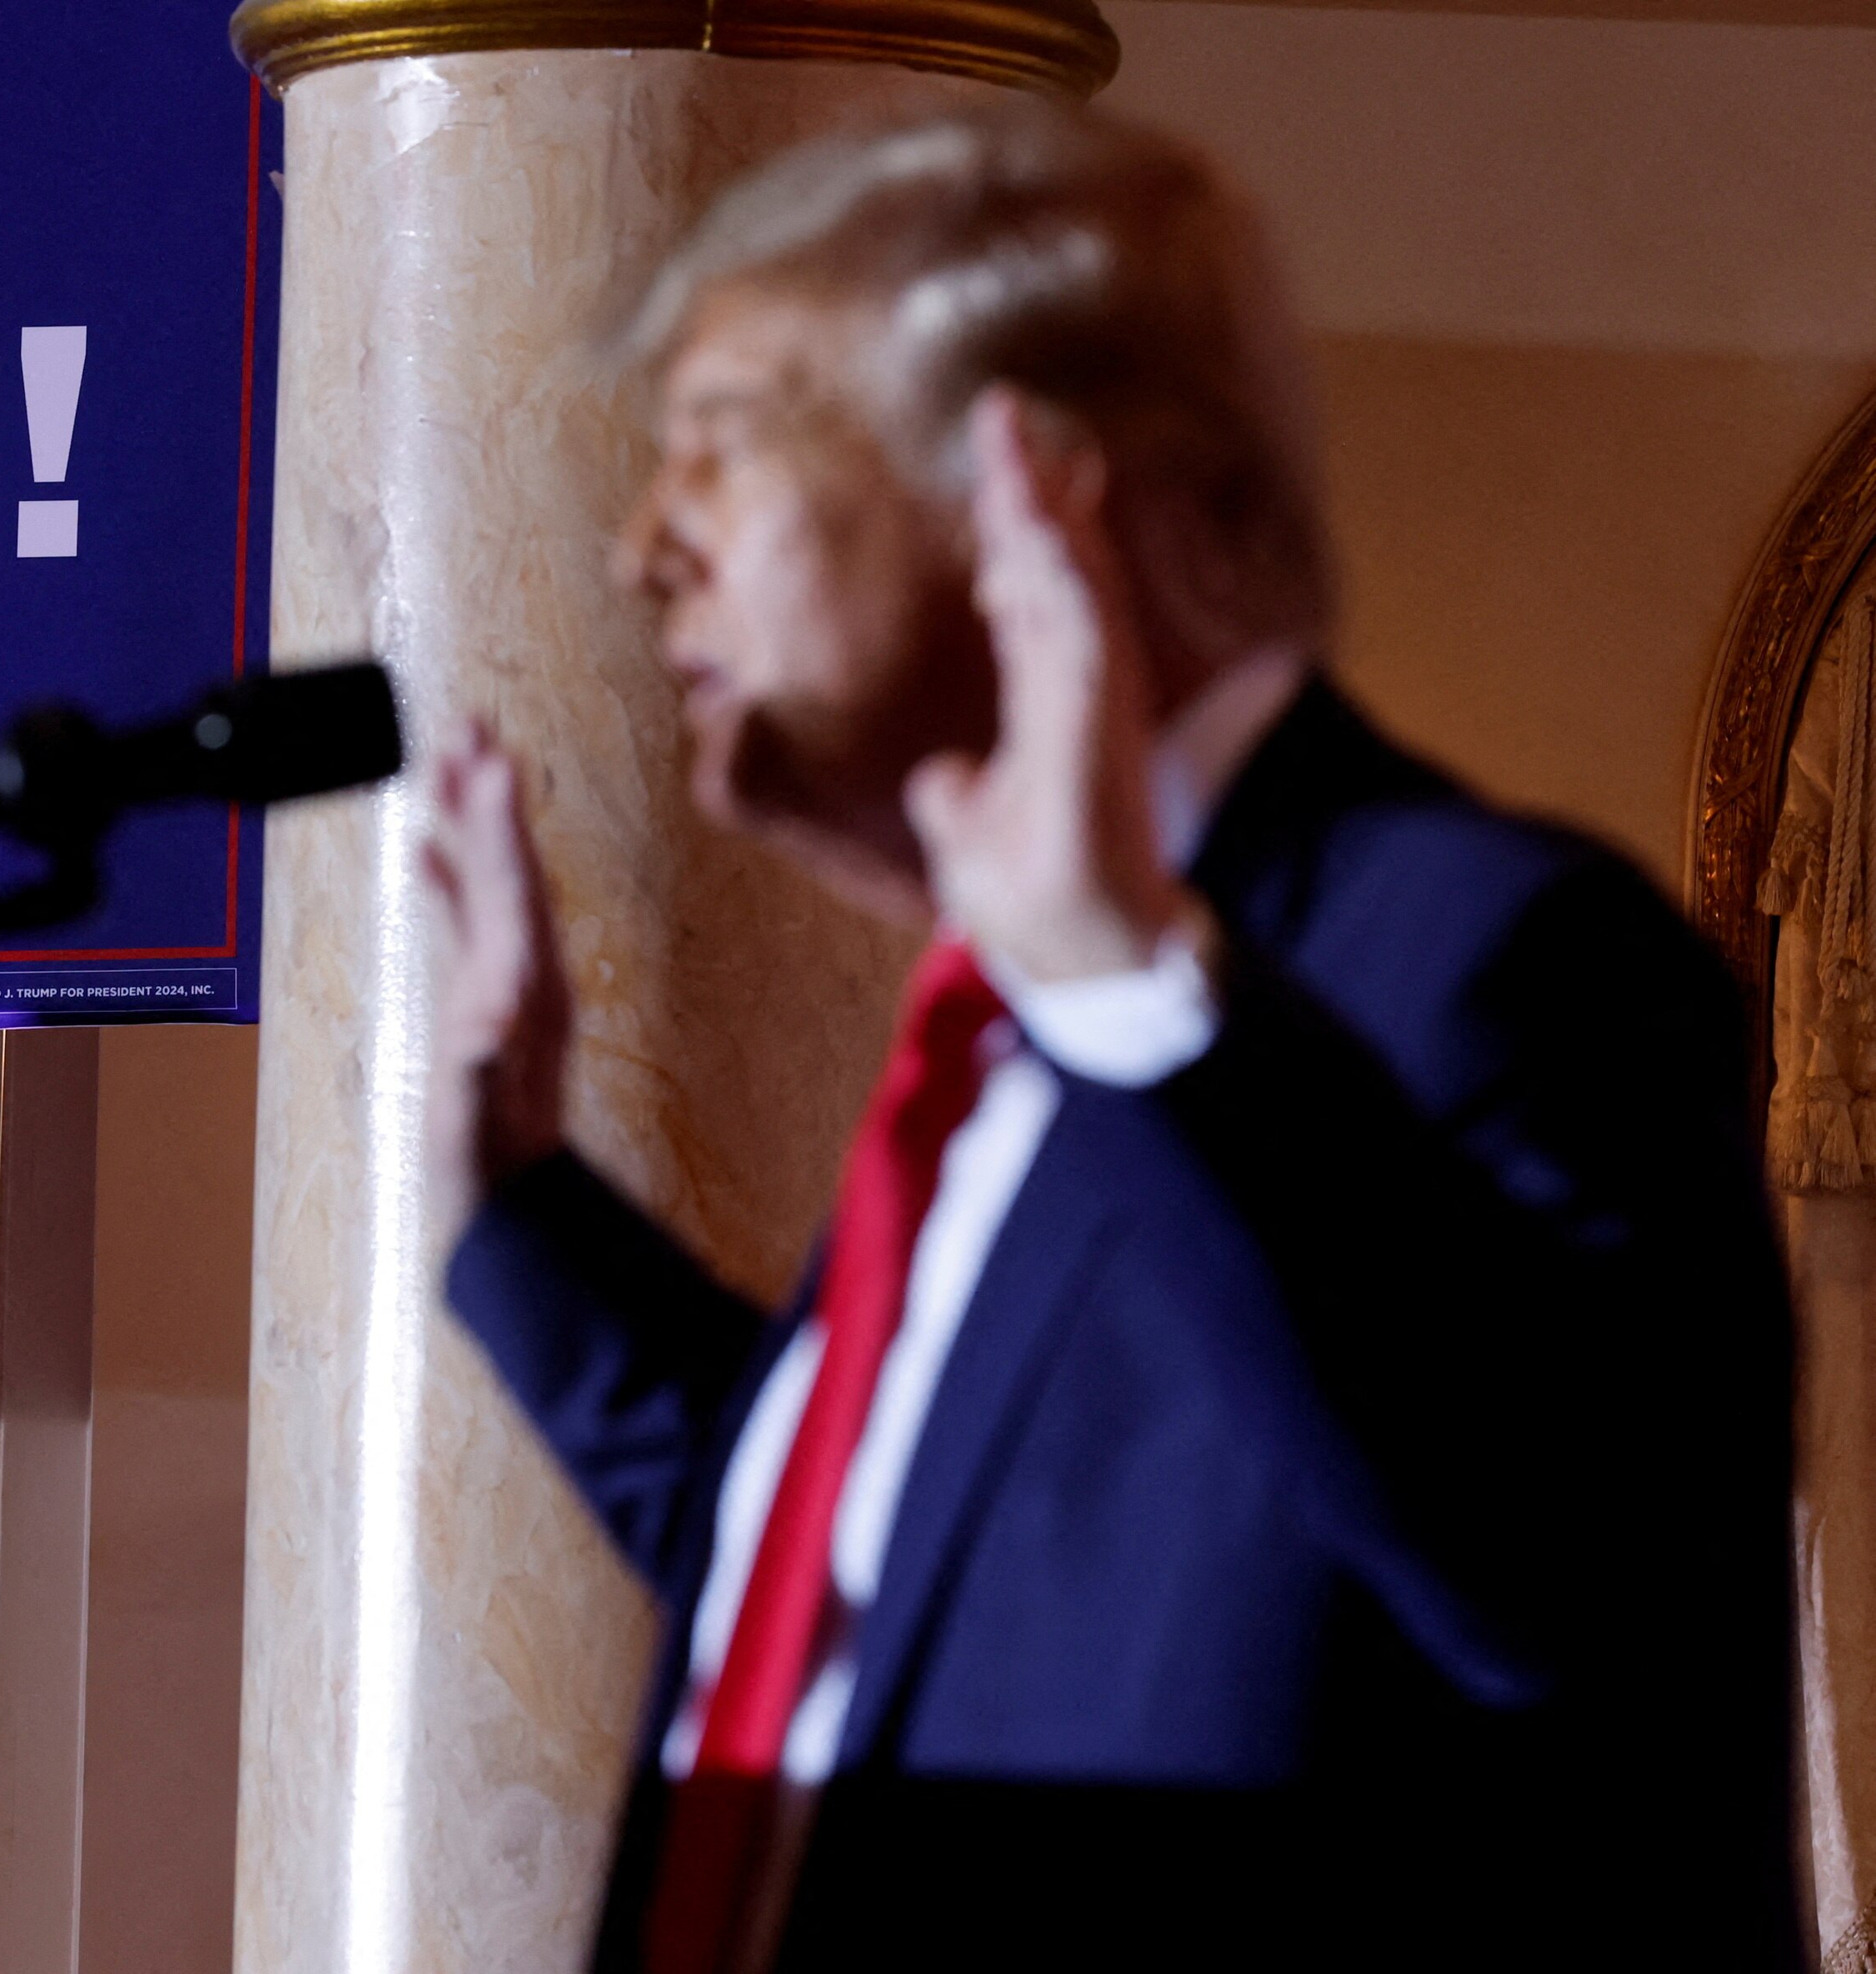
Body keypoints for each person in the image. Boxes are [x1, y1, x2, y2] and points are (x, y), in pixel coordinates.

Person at [425, 98, 1795, 1971]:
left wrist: (1142, 993)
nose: (641, 548)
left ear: (1028, 484)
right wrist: (516, 1198)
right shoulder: (1031, 1025)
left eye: (720, 453)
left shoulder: (1479, 958)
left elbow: (1585, 1572)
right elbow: (891, 1591)